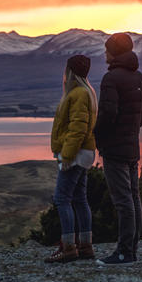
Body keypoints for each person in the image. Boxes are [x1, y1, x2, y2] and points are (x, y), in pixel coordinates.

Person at [94, 32, 142, 265]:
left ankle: (124, 253)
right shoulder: (140, 78)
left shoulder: (111, 79)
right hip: (131, 146)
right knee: (134, 198)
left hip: (114, 149)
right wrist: (129, 129)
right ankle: (131, 250)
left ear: (114, 52)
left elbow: (108, 113)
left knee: (123, 201)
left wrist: (97, 134)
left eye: (107, 49)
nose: (104, 53)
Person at [44, 54, 98, 263]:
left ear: (70, 72)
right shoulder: (87, 92)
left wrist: (66, 155)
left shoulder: (78, 94)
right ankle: (85, 246)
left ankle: (68, 247)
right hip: (83, 152)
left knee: (62, 199)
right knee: (79, 198)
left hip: (75, 153)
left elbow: (78, 127)